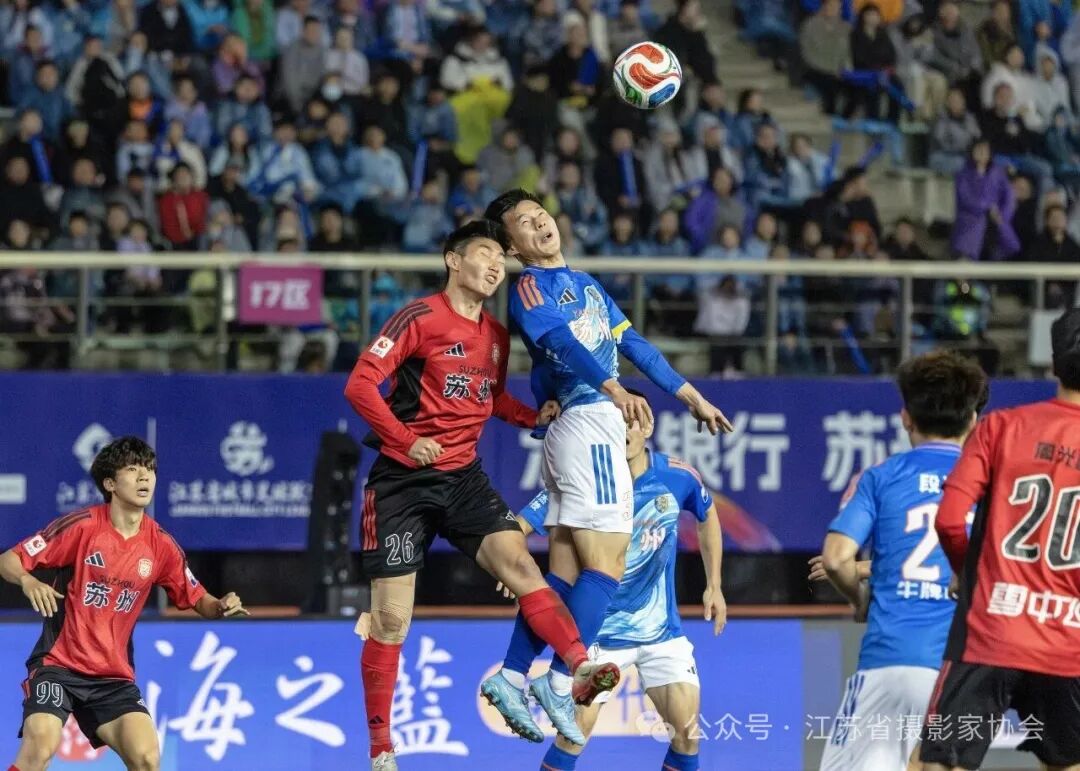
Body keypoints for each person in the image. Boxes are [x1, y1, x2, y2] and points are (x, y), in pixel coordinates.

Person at [344, 220, 613, 771]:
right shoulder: (418, 317)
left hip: (463, 479)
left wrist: (531, 416)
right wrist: (405, 440)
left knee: (523, 566)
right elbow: (359, 385)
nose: (495, 266)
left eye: (500, 259)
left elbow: (490, 397)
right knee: (391, 620)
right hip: (401, 484)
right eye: (485, 253)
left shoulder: (495, 335)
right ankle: (381, 749)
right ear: (453, 260)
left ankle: (577, 666)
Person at [480, 189, 732, 744]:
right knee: (608, 566)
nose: (539, 223)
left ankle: (512, 675)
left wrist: (689, 395)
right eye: (524, 223)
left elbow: (633, 342)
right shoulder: (529, 288)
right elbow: (562, 343)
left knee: (566, 573)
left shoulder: (587, 284)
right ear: (513, 246)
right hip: (588, 422)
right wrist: (614, 388)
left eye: (540, 213)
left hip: (587, 425)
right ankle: (561, 678)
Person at [503, 388, 725, 771]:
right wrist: (509, 565)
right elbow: (519, 525)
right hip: (597, 639)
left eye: (629, 422)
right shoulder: (585, 480)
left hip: (660, 634)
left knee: (687, 734)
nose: (621, 430)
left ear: (647, 427)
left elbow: (708, 518)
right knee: (573, 736)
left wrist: (715, 585)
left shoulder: (678, 477)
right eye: (612, 422)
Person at [0, 436, 248, 771]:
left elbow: (199, 600)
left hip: (112, 678)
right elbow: (9, 560)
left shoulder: (161, 545)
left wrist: (221, 605)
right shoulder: (82, 527)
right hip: (58, 667)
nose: (145, 477)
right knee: (40, 747)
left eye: (150, 470)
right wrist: (28, 580)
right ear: (110, 483)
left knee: (147, 759)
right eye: (133, 469)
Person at [812, 350, 989, 771]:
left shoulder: (881, 477)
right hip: (960, 671)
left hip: (889, 659)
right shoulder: (990, 484)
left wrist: (860, 599)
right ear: (973, 421)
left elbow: (835, 559)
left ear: (906, 418)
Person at [920, 308, 1080, 771]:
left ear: (1053, 363)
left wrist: (965, 572)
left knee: (942, 763)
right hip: (1066, 641)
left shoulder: (1000, 427)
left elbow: (950, 520)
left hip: (990, 631)